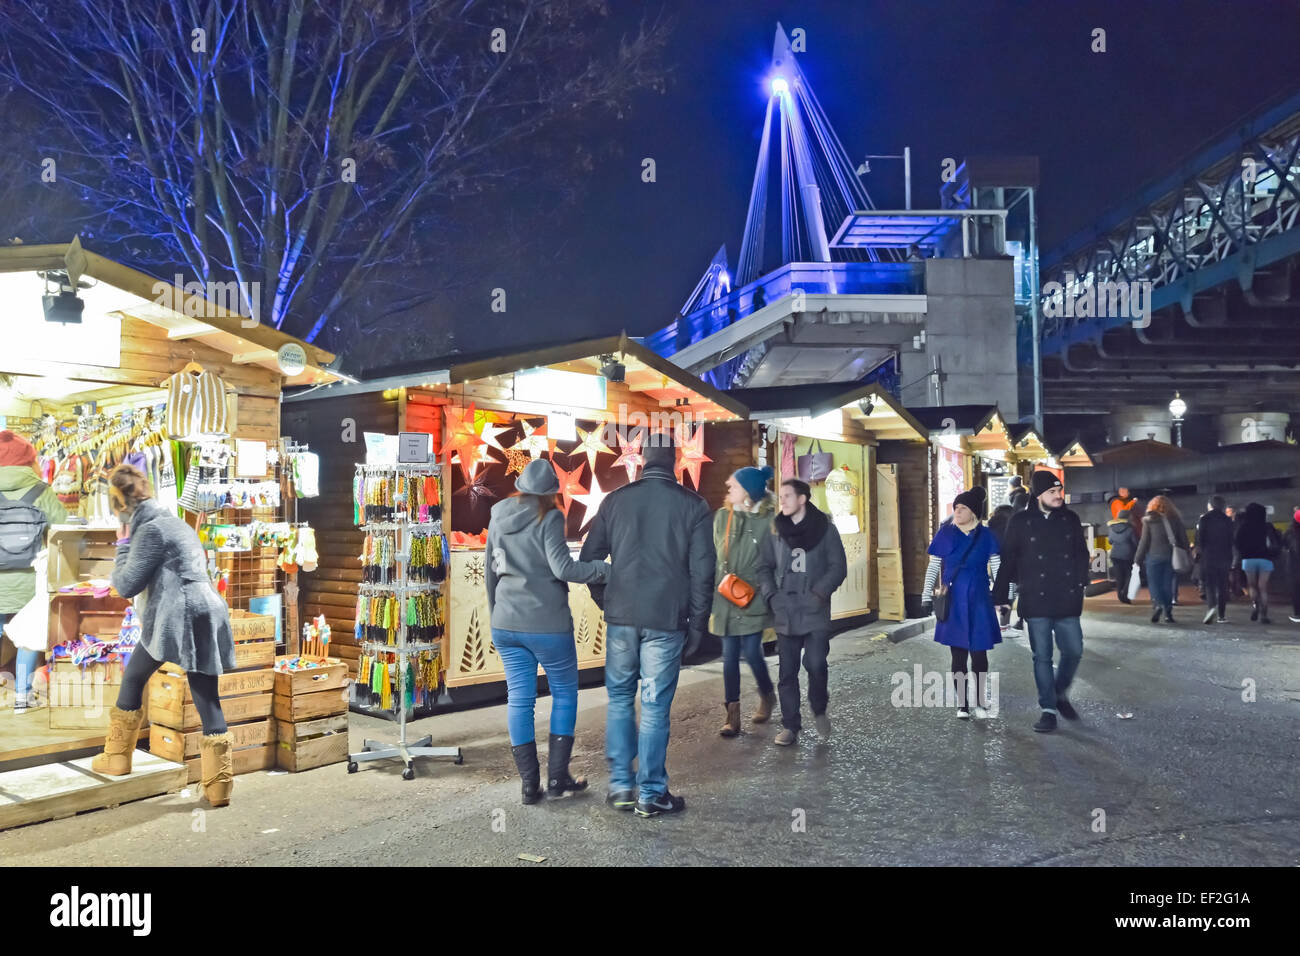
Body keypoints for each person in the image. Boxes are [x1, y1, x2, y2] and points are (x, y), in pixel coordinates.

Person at [579, 432, 715, 818]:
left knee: (620, 699)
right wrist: (698, 625)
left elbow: (590, 562)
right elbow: (703, 571)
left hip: (622, 618)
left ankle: (622, 786)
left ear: (640, 460)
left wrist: (607, 601)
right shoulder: (694, 506)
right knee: (654, 705)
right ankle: (651, 793)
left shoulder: (615, 501)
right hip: (667, 619)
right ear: (673, 462)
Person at [92, 464, 237, 806]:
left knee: (133, 678)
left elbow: (127, 584)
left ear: (120, 504)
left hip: (178, 616)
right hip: (205, 608)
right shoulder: (174, 522)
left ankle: (116, 757)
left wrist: (123, 544)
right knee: (205, 693)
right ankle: (220, 786)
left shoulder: (150, 530)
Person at [484, 458, 611, 804]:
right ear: (550, 491)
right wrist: (602, 569)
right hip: (547, 624)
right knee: (565, 693)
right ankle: (557, 779)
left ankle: (529, 785)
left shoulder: (498, 515)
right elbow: (563, 567)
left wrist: (497, 614)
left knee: (520, 699)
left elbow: (490, 572)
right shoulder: (549, 516)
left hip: (507, 623)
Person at [992, 470, 1091, 734]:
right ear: (1038, 495)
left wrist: (1080, 580)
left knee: (1073, 650)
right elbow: (1008, 559)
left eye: (1059, 491)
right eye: (1052, 492)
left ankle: (1059, 693)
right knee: (1042, 656)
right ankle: (1048, 709)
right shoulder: (1021, 521)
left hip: (1067, 597)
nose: (1058, 496)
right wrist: (1001, 597)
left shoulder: (1070, 519)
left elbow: (1081, 554)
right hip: (1036, 598)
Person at [756, 478, 848, 747]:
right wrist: (771, 595)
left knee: (816, 663)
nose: (781, 501)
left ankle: (819, 708)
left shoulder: (825, 530)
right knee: (787, 671)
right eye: (781, 496)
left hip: (814, 610)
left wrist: (819, 593)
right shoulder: (775, 531)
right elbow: (763, 566)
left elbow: (837, 567)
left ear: (802, 500)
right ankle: (790, 725)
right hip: (785, 609)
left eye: (787, 496)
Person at [0, 431, 66, 714]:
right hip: (30, 582)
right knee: (27, 636)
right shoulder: (42, 490)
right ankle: (23, 697)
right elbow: (63, 529)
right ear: (29, 460)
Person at [920, 486, 1001, 718]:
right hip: (953, 598)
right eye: (956, 507)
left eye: (963, 508)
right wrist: (927, 595)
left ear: (974, 512)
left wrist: (1003, 593)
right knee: (958, 654)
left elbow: (996, 565)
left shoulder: (986, 536)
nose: (957, 511)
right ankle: (962, 704)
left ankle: (980, 700)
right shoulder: (946, 533)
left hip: (979, 598)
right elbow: (934, 566)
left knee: (979, 655)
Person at [710, 465, 777, 738]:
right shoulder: (723, 517)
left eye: (734, 484)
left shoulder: (770, 519)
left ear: (749, 491)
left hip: (754, 596)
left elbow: (775, 558)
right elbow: (717, 555)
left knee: (751, 651)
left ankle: (767, 695)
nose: (728, 485)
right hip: (727, 594)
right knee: (729, 656)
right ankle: (732, 715)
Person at [1133, 496, 1189, 624]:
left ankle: (1158, 604)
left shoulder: (1149, 521)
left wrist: (1137, 559)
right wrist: (1188, 554)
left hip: (1153, 557)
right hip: (1171, 557)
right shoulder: (1175, 520)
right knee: (1167, 584)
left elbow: (1144, 542)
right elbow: (1183, 540)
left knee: (1154, 583)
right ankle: (1168, 613)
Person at [1235, 502, 1281, 624]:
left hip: (1248, 559)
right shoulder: (1267, 526)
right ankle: (1264, 614)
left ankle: (1255, 606)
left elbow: (1237, 543)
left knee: (1252, 586)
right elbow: (1277, 541)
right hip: (1265, 558)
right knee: (1263, 588)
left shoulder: (1243, 526)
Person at [1195, 495, 1235, 624]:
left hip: (1208, 556)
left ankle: (1212, 607)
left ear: (1210, 505)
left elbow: (1200, 539)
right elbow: (1231, 540)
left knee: (1210, 585)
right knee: (1223, 585)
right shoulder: (1227, 520)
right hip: (1224, 556)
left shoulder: (1205, 519)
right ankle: (1221, 616)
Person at [1106, 507, 1137, 605]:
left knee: (1119, 576)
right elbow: (1135, 542)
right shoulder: (1130, 528)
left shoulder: (1112, 528)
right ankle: (1125, 592)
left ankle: (1120, 595)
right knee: (1129, 575)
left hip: (1115, 555)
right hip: (1128, 555)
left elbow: (1110, 541)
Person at [1283, 508, 1300, 624]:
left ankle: (1297, 614)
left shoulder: (1290, 531)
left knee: (1296, 589)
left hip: (1294, 565)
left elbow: (1284, 544)